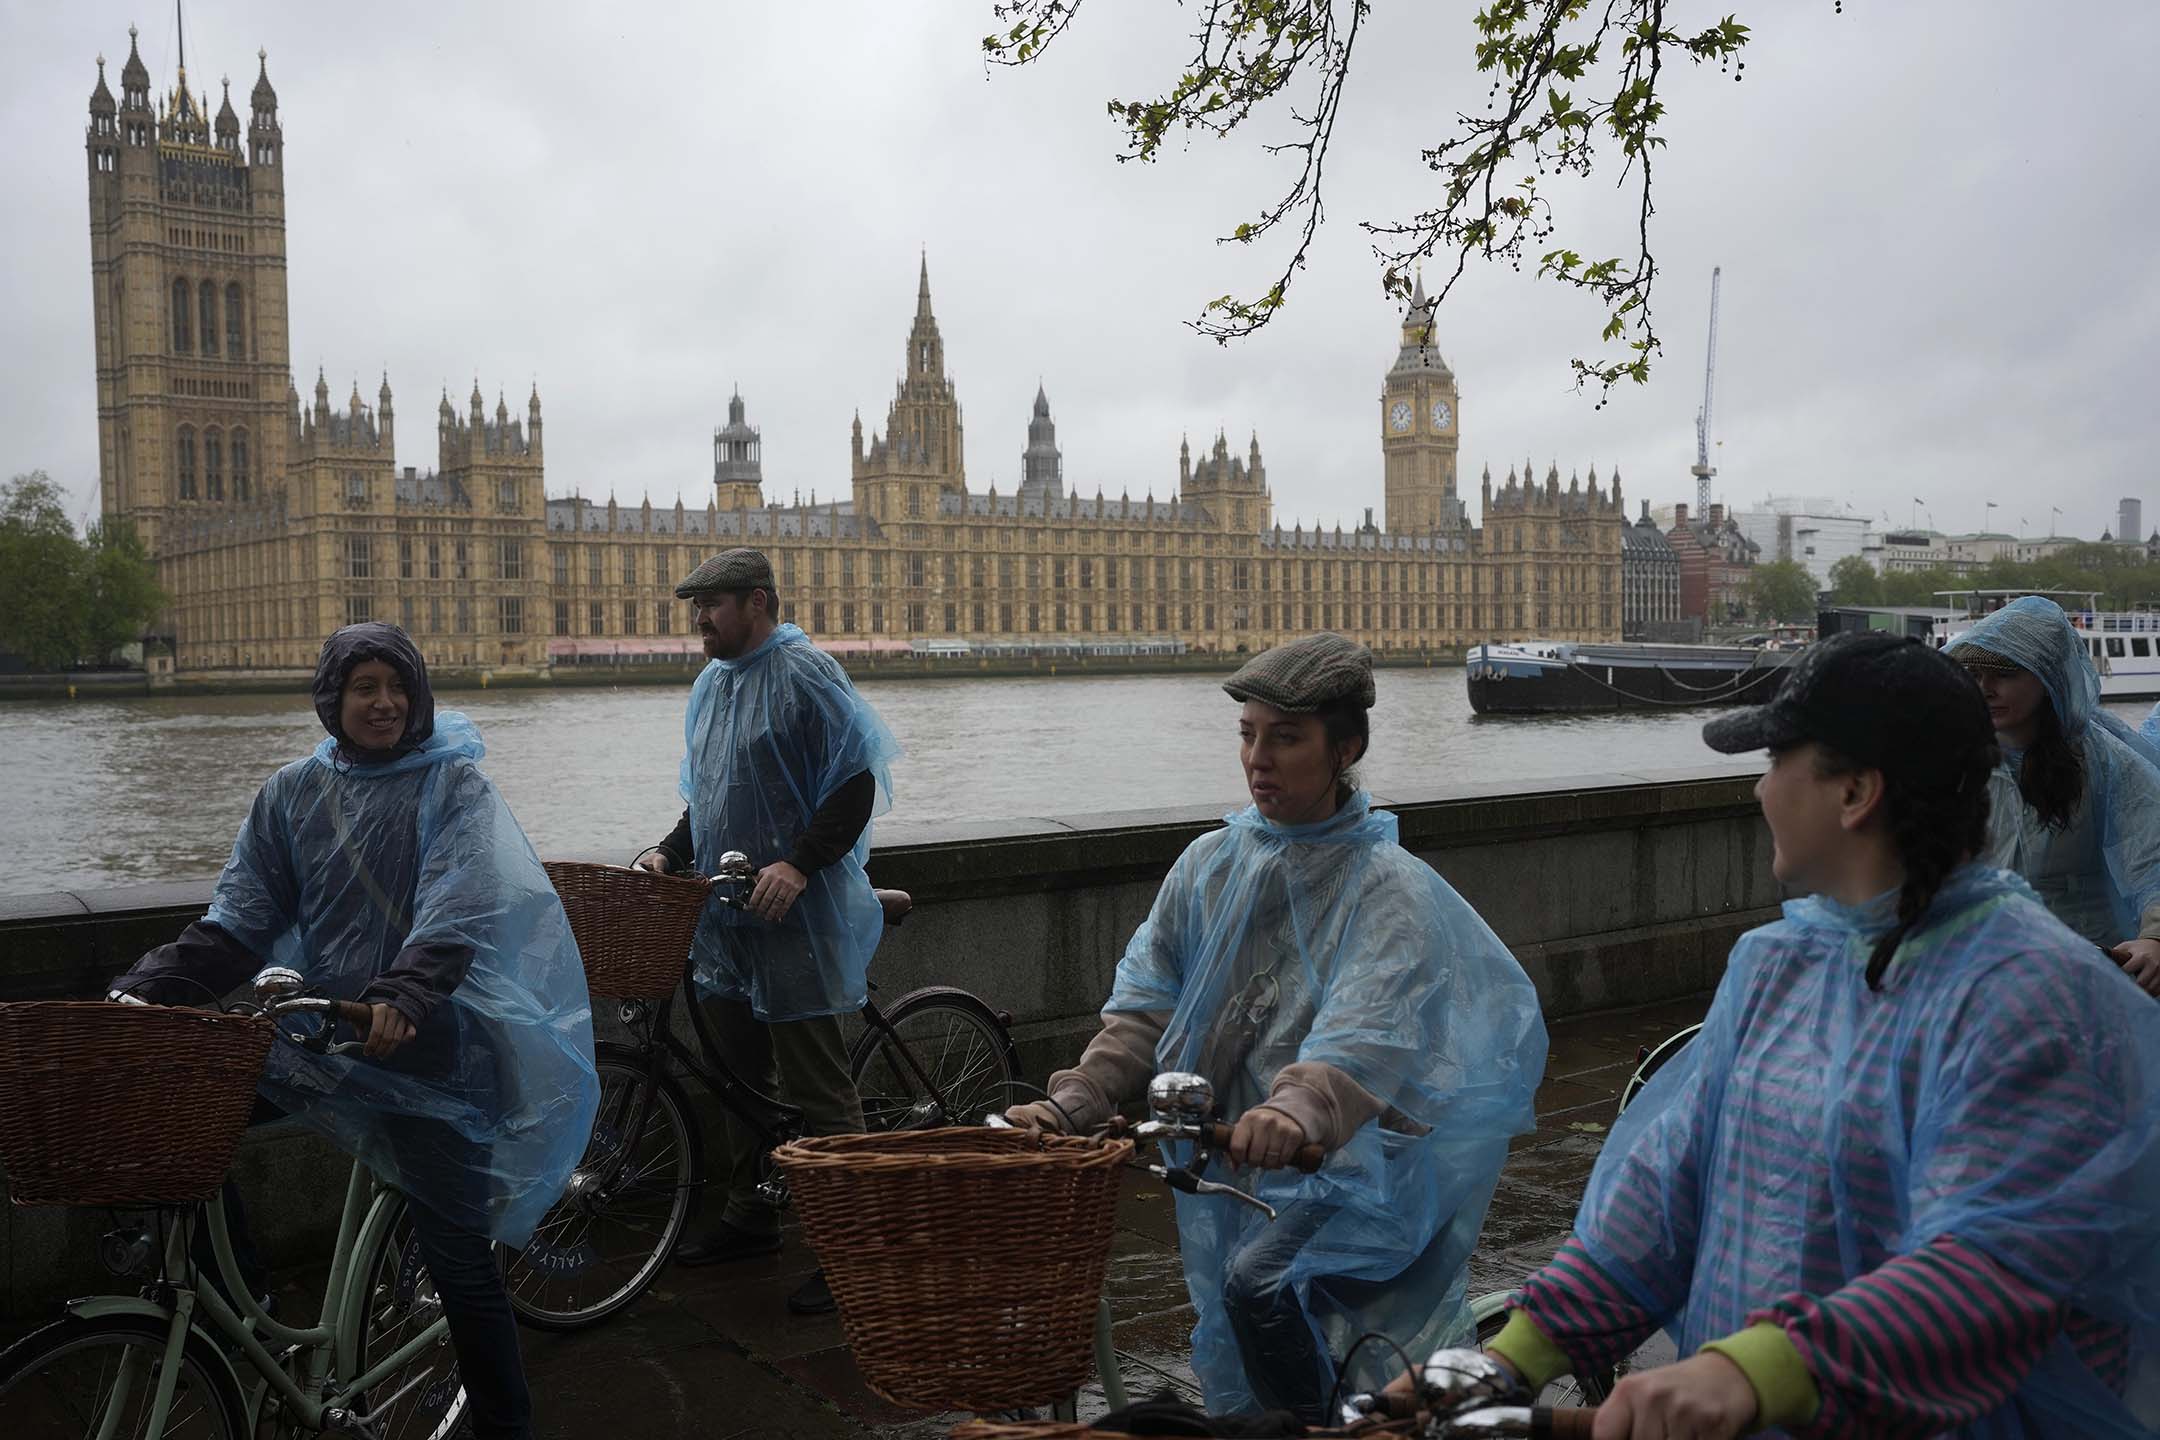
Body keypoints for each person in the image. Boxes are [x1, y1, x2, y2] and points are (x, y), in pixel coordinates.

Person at [1442, 633, 2160, 1439]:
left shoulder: (2031, 996)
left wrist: (1754, 1370)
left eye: (1775, 762)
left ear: (1854, 792)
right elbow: (1669, 1190)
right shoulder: (1775, 961)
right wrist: (1511, 1357)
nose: (1758, 791)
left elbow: (1993, 1264)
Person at [1004, 632, 1547, 1422]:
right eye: (1248, 736)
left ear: (1346, 748)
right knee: (1242, 1348)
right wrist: (1077, 1100)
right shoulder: (1209, 868)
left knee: (1256, 1286)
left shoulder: (1387, 890)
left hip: (1355, 1164)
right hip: (1240, 1161)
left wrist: (1295, 1110)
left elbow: (1363, 1038)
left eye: (1286, 738)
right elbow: (1150, 1007)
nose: (1259, 758)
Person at [116, 623, 600, 1440]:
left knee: (459, 1266)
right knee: (183, 1118)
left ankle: (505, 1426)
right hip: (327, 1031)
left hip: (438, 1043)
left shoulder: (456, 789)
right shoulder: (291, 792)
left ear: (418, 698)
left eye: (396, 687)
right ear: (331, 700)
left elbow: (461, 905)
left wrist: (406, 993)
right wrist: (145, 989)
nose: (383, 703)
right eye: (363, 687)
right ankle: (252, 1303)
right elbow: (239, 920)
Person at [637, 547, 900, 1315]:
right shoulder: (711, 685)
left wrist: (801, 864)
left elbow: (856, 779)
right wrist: (669, 849)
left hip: (796, 913)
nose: (698, 619)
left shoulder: (807, 674)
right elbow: (710, 794)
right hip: (726, 917)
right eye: (694, 605)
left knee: (821, 1089)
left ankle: (853, 1253)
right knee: (739, 1081)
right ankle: (751, 1215)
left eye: (711, 604)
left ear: (756, 602)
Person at [1944, 595, 2160, 996]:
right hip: (1976, 964)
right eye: (1972, 673)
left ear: (2047, 677)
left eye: (2004, 674)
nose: (1985, 688)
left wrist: (2154, 940)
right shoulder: (1947, 758)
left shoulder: (2104, 761)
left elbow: (2152, 856)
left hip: (2084, 964)